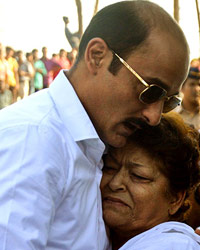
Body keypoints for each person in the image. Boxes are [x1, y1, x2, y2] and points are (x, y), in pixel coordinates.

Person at [0, 1, 190, 249]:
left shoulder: (92, 143)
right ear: (97, 56)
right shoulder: (34, 139)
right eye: (150, 91)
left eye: (168, 101)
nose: (154, 117)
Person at [101, 112, 200, 249]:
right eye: (110, 168)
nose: (115, 183)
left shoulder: (173, 245)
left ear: (175, 199)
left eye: (139, 176)